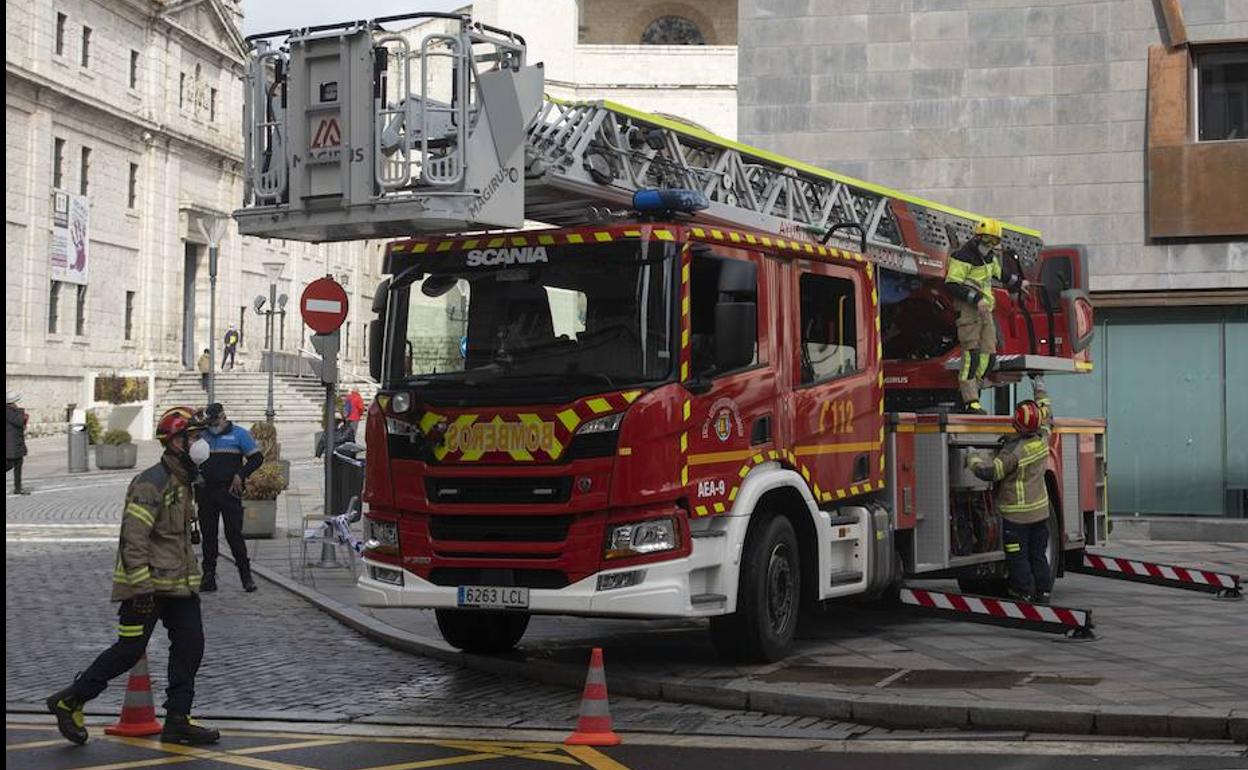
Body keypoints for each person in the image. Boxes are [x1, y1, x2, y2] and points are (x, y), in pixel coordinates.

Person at [46, 406, 220, 746]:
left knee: (190, 646)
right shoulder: (150, 483)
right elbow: (133, 538)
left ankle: (178, 720)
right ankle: (70, 700)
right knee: (129, 650)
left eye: (201, 437)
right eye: (195, 438)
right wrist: (141, 589)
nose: (201, 444)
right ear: (175, 442)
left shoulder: (184, 480)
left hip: (178, 586)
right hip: (146, 589)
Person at [967, 374, 1054, 603]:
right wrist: (1039, 386)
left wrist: (972, 458)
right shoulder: (1044, 437)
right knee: (1037, 555)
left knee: (1018, 556)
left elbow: (990, 472)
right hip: (1040, 514)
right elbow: (1046, 412)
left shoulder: (1013, 453)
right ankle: (1043, 591)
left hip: (1017, 517)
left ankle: (1023, 592)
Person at [944, 218, 1023, 414]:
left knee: (989, 357)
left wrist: (1019, 283)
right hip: (970, 311)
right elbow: (952, 284)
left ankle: (973, 393)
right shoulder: (962, 256)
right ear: (978, 237)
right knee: (971, 356)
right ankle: (969, 400)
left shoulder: (988, 258)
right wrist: (976, 298)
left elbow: (999, 273)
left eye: (994, 241)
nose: (990, 245)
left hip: (986, 311)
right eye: (987, 240)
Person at [196, 403, 263, 592]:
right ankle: (208, 577)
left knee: (234, 535)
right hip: (206, 492)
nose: (212, 426)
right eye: (209, 422)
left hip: (229, 491)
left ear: (223, 417)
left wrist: (240, 475)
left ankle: (246, 576)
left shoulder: (239, 434)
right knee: (208, 536)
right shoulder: (203, 434)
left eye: (215, 421)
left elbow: (257, 458)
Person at [7, 390, 30, 495]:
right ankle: (18, 488)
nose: (17, 403)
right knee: (10, 465)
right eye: (16, 401)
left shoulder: (12, 411)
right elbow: (19, 421)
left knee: (18, 465)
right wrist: (22, 413)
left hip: (16, 443)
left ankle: (18, 488)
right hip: (11, 444)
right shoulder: (9, 411)